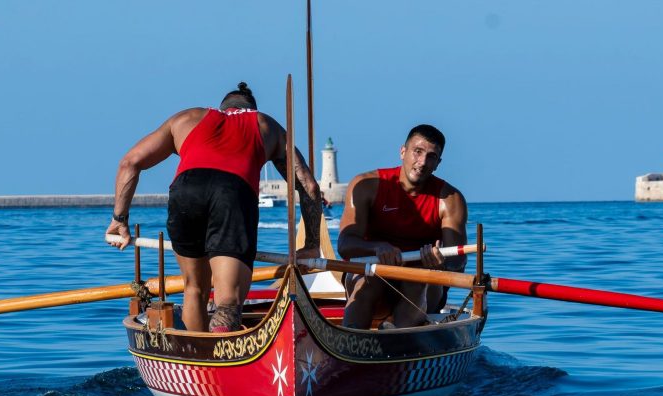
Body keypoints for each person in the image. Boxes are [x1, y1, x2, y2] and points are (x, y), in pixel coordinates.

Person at [106, 82, 322, 333]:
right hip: (233, 191)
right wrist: (311, 245)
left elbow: (129, 163)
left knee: (195, 289)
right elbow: (309, 187)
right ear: (250, 110)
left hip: (186, 190)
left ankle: (198, 356)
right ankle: (222, 353)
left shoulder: (186, 118)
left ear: (222, 108)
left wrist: (119, 219)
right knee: (228, 302)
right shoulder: (265, 123)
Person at [337, 124, 467, 329]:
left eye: (431, 157)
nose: (422, 162)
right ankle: (349, 343)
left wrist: (441, 262)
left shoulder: (450, 199)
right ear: (402, 152)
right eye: (417, 152)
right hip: (374, 271)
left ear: (438, 163)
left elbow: (459, 260)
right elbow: (345, 245)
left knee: (417, 281)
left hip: (422, 283)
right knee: (368, 282)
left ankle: (400, 341)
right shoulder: (367, 185)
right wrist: (376, 247)